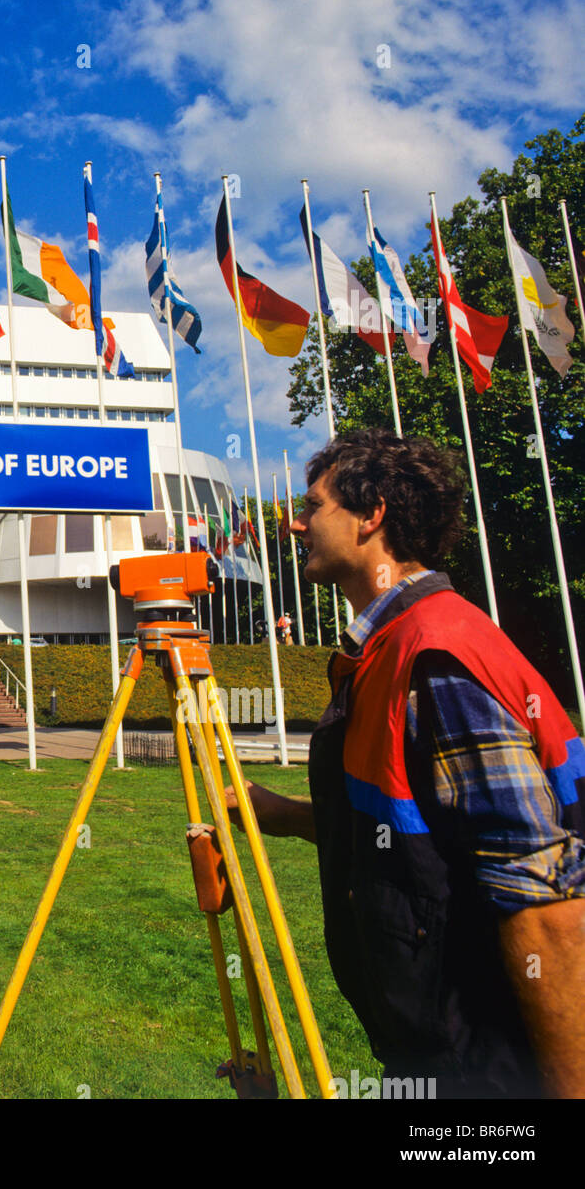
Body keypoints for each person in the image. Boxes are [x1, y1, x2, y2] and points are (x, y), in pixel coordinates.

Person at [228, 429, 585, 1098]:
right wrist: (281, 815)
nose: (295, 523)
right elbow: (420, 834)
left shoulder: (435, 655)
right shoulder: (396, 646)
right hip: (439, 1056)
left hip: (487, 1067)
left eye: (314, 506)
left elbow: (544, 901)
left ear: (372, 516)